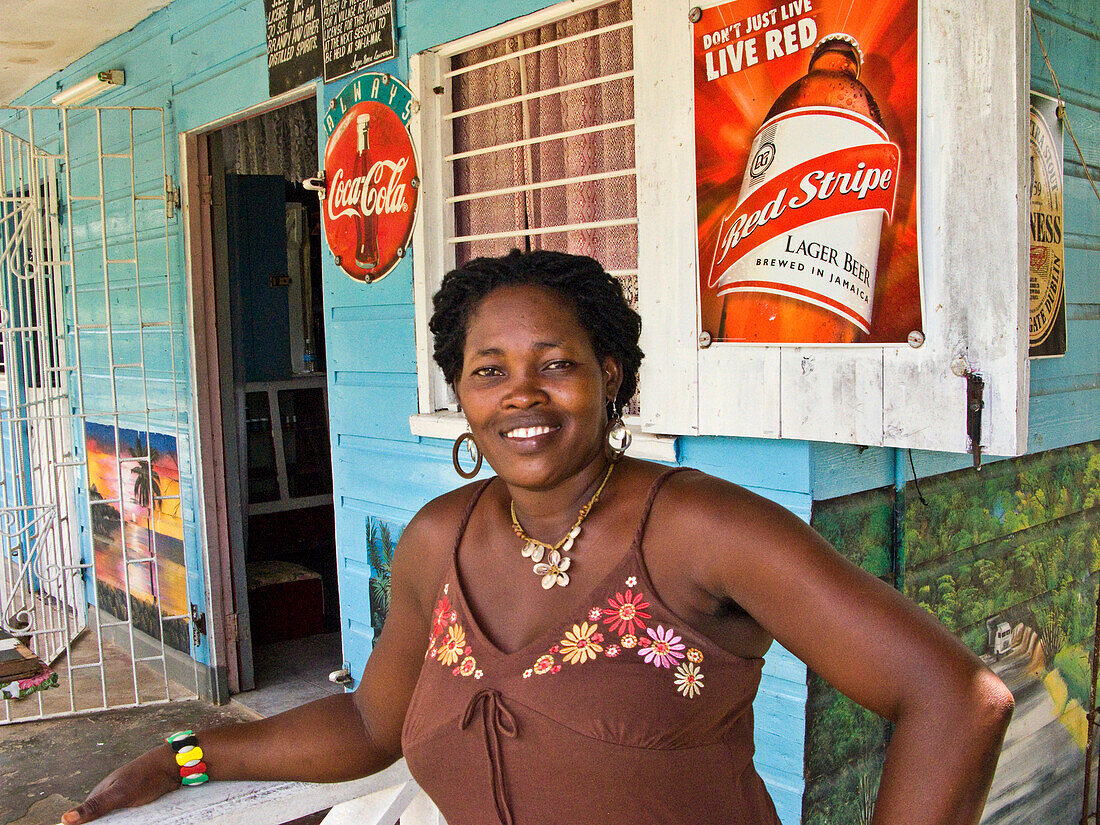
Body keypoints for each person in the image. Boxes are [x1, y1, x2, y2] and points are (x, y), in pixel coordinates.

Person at [64, 250, 1013, 825]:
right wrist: (185, 756)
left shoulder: (699, 528)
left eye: (555, 363)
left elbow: (954, 698)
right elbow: (366, 724)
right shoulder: (440, 538)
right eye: (489, 370)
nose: (521, 392)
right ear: (462, 397)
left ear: (611, 377)